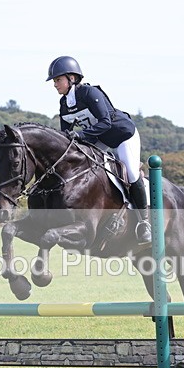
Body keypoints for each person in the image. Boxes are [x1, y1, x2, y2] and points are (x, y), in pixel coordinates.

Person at [45, 55, 151, 244]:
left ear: (72, 78)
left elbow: (106, 122)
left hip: (122, 135)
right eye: (54, 80)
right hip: (99, 138)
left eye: (58, 79)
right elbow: (65, 136)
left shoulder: (89, 93)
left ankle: (144, 222)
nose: (55, 84)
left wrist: (82, 136)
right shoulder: (64, 104)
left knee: (132, 173)